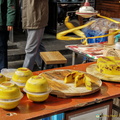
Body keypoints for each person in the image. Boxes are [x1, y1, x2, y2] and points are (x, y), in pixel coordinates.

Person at [22, 0, 48, 71]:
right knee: (38, 45)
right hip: (30, 18)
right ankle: (46, 66)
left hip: (36, 18)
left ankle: (24, 73)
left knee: (30, 48)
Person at [0, 0, 16, 71]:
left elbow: (11, 6)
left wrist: (10, 22)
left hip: (1, 24)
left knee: (2, 47)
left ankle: (3, 71)